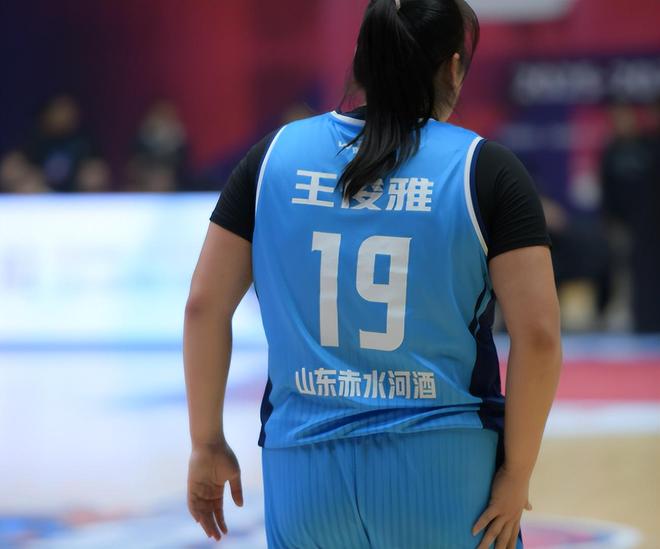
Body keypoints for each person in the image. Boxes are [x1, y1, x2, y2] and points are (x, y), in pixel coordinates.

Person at [183, 0, 562, 547]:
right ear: (453, 67)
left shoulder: (273, 157)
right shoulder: (486, 170)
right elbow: (539, 336)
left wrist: (206, 442)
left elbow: (203, 306)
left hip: (303, 475)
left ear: (361, 58)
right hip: (444, 470)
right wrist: (517, 472)